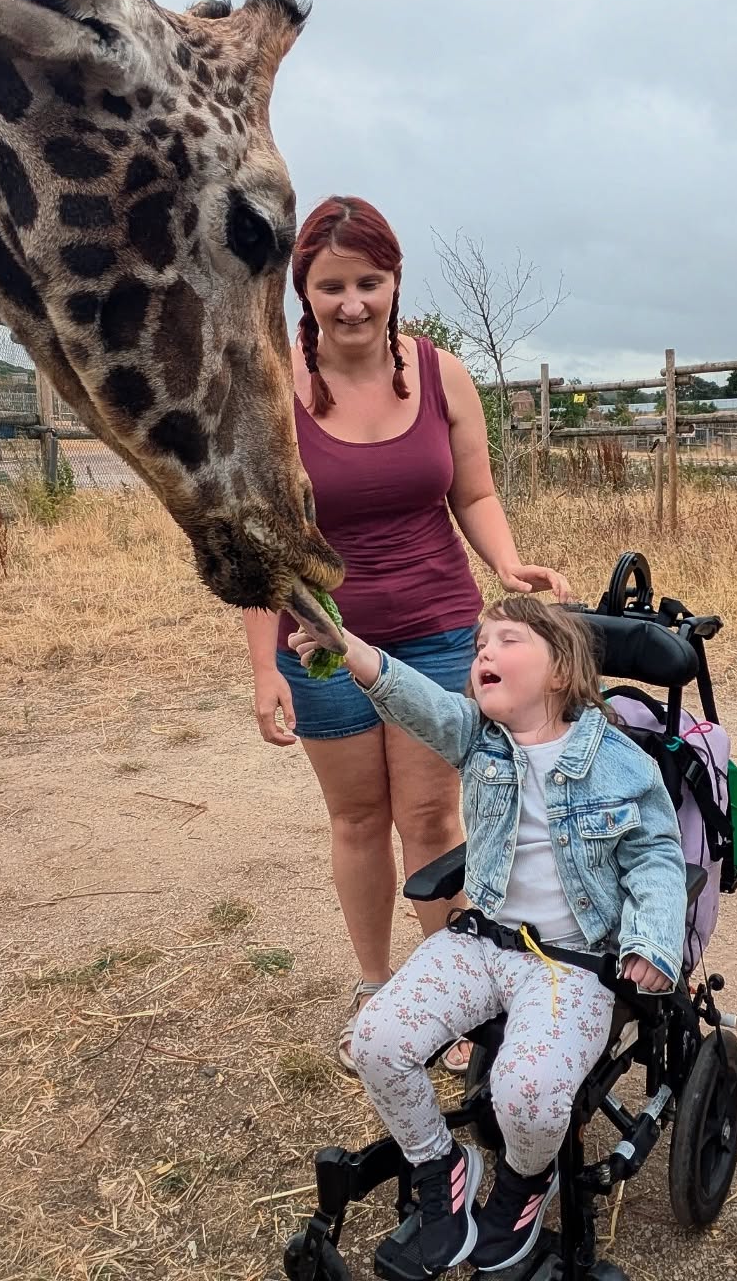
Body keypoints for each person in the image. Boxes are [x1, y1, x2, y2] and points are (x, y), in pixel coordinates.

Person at [241, 197, 571, 1073]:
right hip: (319, 639)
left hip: (434, 632)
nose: (353, 302)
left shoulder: (441, 373)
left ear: (395, 283)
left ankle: (452, 992)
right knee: (357, 818)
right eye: (332, 285)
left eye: (370, 282)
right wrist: (261, 665)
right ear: (301, 292)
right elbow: (257, 538)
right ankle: (378, 985)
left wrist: (508, 564)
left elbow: (474, 493)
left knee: (430, 815)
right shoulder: (272, 387)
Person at [288, 596, 687, 1276]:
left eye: (506, 640)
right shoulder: (476, 735)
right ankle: (441, 1165)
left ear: (561, 670)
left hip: (574, 965)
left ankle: (526, 1183)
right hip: (481, 941)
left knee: (527, 1094)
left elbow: (656, 856)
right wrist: (346, 644)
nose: (483, 654)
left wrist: (652, 942)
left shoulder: (620, 762)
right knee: (376, 1041)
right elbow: (409, 696)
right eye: (478, 645)